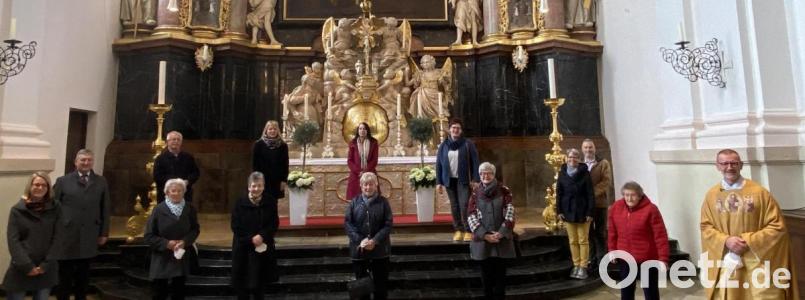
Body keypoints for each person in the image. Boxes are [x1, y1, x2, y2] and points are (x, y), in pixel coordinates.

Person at [700, 149, 799, 299]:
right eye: (725, 163)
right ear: (717, 166)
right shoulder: (712, 196)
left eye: (734, 163)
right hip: (727, 258)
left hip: (757, 260)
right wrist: (726, 240)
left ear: (741, 165)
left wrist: (748, 241)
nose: (729, 167)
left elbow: (777, 227)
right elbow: (706, 227)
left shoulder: (760, 193)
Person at [53, 149, 111, 300]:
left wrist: (104, 232)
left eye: (89, 160)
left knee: (83, 277)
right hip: (67, 235)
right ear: (76, 162)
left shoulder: (101, 181)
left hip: (89, 235)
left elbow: (105, 208)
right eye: (83, 160)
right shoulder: (62, 181)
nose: (86, 163)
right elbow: (54, 208)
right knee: (64, 277)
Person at [3, 172, 61, 300]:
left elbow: (58, 238)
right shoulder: (17, 210)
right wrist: (27, 266)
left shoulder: (55, 208)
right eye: (36, 184)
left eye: (44, 185)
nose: (40, 188)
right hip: (22, 266)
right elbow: (13, 241)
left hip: (46, 268)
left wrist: (45, 265)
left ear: (48, 188)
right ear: (30, 186)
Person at [608, 181, 669, 300]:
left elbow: (660, 236)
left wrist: (663, 259)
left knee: (650, 292)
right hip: (625, 257)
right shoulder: (616, 207)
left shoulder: (651, 209)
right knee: (626, 292)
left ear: (640, 196)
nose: (629, 198)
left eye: (633, 195)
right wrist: (612, 250)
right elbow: (612, 232)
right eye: (626, 195)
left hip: (647, 257)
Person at [145, 178, 201, 300]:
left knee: (179, 292)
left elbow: (195, 230)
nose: (176, 193)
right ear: (167, 192)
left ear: (184, 192)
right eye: (173, 190)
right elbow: (149, 235)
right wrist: (166, 243)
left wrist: (185, 241)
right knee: (160, 293)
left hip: (180, 257)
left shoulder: (190, 208)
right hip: (162, 258)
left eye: (180, 191)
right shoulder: (158, 209)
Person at [467, 162, 515, 300]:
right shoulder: (475, 193)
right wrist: (484, 235)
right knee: (486, 278)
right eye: (482, 173)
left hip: (502, 241)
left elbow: (510, 212)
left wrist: (501, 232)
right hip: (483, 242)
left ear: (494, 175)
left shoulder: (504, 190)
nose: (485, 176)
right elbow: (471, 215)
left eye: (488, 173)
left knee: (500, 278)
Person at [231, 172, 279, 299]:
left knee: (260, 285)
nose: (256, 189)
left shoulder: (270, 201)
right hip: (243, 249)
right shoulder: (240, 203)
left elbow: (274, 223)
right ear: (248, 187)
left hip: (262, 247)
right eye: (253, 186)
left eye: (259, 185)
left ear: (263, 186)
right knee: (242, 286)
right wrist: (251, 238)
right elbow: (235, 226)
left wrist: (262, 236)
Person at [344, 172, 393, 300]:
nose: (368, 187)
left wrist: (375, 240)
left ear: (376, 185)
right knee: (361, 290)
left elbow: (388, 224)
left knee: (380, 288)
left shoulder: (383, 202)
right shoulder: (354, 203)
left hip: (380, 251)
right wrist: (362, 240)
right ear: (361, 186)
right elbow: (348, 224)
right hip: (359, 251)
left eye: (371, 184)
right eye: (365, 184)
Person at [436, 119, 480, 242]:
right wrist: (439, 182)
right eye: (453, 127)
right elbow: (438, 164)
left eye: (458, 128)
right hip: (449, 180)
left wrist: (476, 179)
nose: (455, 130)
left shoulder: (467, 144)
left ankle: (468, 230)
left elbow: (475, 162)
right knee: (454, 206)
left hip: (464, 180)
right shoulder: (443, 145)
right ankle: (458, 230)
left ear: (461, 130)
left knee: (464, 204)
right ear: (449, 129)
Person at [556, 148, 594, 279]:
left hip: (583, 210)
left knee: (583, 240)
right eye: (570, 157)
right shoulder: (562, 173)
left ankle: (583, 266)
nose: (572, 159)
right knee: (572, 240)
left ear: (579, 159)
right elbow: (559, 193)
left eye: (575, 157)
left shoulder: (585, 173)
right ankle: (576, 264)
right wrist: (559, 210)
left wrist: (590, 211)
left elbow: (590, 194)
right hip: (567, 210)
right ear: (566, 158)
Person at [581, 139, 612, 265]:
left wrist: (591, 194)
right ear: (582, 149)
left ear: (594, 148)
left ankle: (602, 259)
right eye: (586, 147)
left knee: (600, 231)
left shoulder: (603, 163)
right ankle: (592, 258)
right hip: (584, 206)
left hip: (600, 204)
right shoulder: (579, 164)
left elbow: (606, 182)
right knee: (588, 233)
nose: (588, 150)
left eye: (590, 147)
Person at [154, 131, 201, 203]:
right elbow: (157, 176)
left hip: (185, 194)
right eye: (173, 139)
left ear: (181, 142)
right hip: (165, 195)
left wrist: (187, 181)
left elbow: (195, 173)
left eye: (178, 139)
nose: (176, 141)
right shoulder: (160, 158)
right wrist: (173, 183)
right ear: (168, 142)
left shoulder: (188, 157)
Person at [252, 120, 289, 200]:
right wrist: (256, 179)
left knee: (273, 202)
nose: (272, 131)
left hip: (277, 180)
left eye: (275, 129)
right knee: (262, 201)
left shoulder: (283, 145)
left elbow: (285, 164)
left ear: (278, 131)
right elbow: (255, 164)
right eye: (270, 129)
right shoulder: (258, 144)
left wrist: (284, 180)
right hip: (262, 179)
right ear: (266, 130)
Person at [346, 122, 379, 200]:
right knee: (355, 199)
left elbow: (374, 160)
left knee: (371, 198)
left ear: (367, 131)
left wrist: (365, 171)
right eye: (360, 129)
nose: (362, 130)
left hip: (370, 173)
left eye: (364, 129)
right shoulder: (353, 143)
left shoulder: (373, 142)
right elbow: (350, 160)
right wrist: (359, 172)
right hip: (356, 175)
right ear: (358, 130)